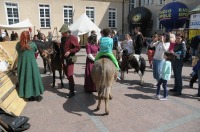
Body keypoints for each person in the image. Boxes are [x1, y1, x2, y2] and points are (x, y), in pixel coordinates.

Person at [16, 31, 44, 101]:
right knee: (34, 78)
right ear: (28, 37)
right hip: (32, 64)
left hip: (22, 65)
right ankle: (37, 95)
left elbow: (18, 50)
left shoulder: (18, 45)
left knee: (25, 78)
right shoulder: (32, 44)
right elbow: (35, 50)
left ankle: (28, 95)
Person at [59, 23, 80, 98]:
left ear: (67, 32)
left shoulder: (73, 38)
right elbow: (62, 48)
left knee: (70, 74)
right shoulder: (62, 38)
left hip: (70, 59)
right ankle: (72, 84)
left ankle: (72, 91)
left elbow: (78, 48)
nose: (61, 34)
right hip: (64, 59)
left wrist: (70, 51)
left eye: (63, 33)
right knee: (66, 74)